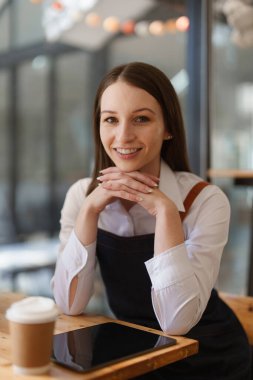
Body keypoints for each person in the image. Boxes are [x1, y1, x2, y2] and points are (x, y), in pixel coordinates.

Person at [51, 62, 251, 379]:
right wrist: (89, 212)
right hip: (137, 353)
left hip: (213, 358)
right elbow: (69, 304)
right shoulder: (81, 198)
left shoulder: (205, 200)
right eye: (111, 120)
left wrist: (166, 212)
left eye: (141, 119)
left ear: (168, 127)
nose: (123, 135)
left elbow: (176, 322)